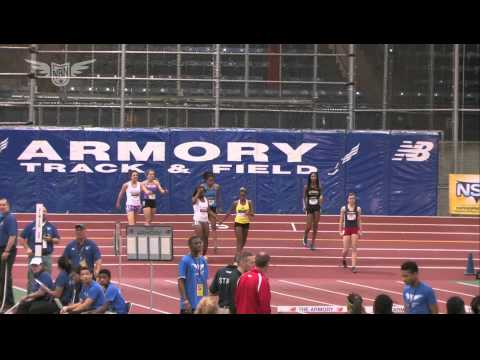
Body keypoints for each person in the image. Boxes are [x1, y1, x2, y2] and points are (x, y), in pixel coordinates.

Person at [19, 206, 60, 292]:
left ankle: (45, 300)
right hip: (34, 256)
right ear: (37, 213)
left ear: (47, 213)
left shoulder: (51, 226)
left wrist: (51, 239)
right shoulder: (31, 225)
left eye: (44, 211)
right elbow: (21, 238)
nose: (43, 213)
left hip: (46, 256)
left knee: (47, 278)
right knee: (32, 279)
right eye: (41, 211)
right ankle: (30, 300)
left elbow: (58, 240)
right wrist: (27, 249)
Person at [219, 187, 255, 261]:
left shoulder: (249, 202)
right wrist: (222, 220)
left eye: (244, 194)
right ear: (239, 195)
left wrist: (249, 213)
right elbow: (229, 211)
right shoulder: (235, 203)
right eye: (241, 194)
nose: (242, 196)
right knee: (239, 240)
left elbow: (253, 214)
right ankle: (237, 258)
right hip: (238, 222)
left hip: (246, 223)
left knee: (244, 241)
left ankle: (238, 254)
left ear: (246, 195)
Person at [177, 236, 209, 314]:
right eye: (196, 243)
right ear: (190, 246)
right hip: (188, 303)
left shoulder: (203, 260)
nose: (199, 245)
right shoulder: (185, 260)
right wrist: (185, 300)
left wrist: (205, 298)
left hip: (200, 303)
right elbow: (181, 281)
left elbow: (203, 281)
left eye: (200, 243)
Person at [0, 198, 18, 313]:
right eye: (0, 205)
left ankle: (9, 303)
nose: (2, 207)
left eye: (4, 205)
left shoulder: (10, 218)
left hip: (7, 250)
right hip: (1, 249)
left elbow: (12, 236)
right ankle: (3, 300)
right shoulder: (2, 218)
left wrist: (6, 251)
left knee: (5, 277)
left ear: (8, 206)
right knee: (1, 277)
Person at [339, 192, 362, 273]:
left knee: (354, 248)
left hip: (354, 229)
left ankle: (353, 266)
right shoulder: (344, 208)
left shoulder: (358, 209)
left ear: (355, 200)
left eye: (353, 198)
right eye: (350, 198)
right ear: (347, 200)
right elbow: (341, 220)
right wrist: (340, 231)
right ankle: (344, 258)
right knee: (345, 249)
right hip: (347, 229)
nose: (352, 200)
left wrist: (360, 230)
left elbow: (359, 220)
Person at [192, 185, 217, 256]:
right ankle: (197, 255)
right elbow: (193, 201)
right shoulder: (195, 199)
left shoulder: (206, 199)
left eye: (203, 191)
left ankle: (202, 255)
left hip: (205, 221)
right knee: (199, 240)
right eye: (200, 191)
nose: (202, 193)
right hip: (198, 220)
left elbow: (209, 210)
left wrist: (216, 218)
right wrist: (198, 192)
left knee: (206, 240)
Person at [200, 172, 221, 254]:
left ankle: (215, 245)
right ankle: (201, 244)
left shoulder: (217, 187)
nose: (211, 182)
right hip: (204, 208)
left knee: (213, 226)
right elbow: (199, 197)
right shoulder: (202, 187)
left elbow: (218, 197)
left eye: (212, 180)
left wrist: (219, 207)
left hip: (213, 207)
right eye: (209, 180)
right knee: (203, 227)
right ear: (206, 180)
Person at [302, 172, 323, 251]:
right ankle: (305, 235)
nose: (313, 177)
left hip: (317, 207)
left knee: (315, 226)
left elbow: (321, 195)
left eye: (314, 176)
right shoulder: (306, 187)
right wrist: (304, 206)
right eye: (312, 176)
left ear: (316, 178)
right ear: (310, 178)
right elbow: (304, 197)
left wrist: (321, 199)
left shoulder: (319, 187)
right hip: (309, 207)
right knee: (308, 226)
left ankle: (312, 243)